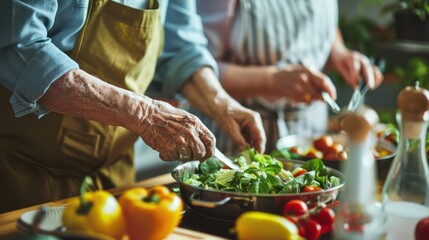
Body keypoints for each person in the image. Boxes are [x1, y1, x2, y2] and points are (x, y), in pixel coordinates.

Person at [0, 0, 265, 213]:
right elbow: (18, 46)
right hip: (22, 175)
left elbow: (181, 46)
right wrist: (143, 113)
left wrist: (222, 104)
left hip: (115, 177)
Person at [191, 0, 384, 155]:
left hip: (308, 141)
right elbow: (193, 69)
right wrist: (273, 80)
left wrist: (340, 55)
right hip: (234, 145)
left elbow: (320, 23)